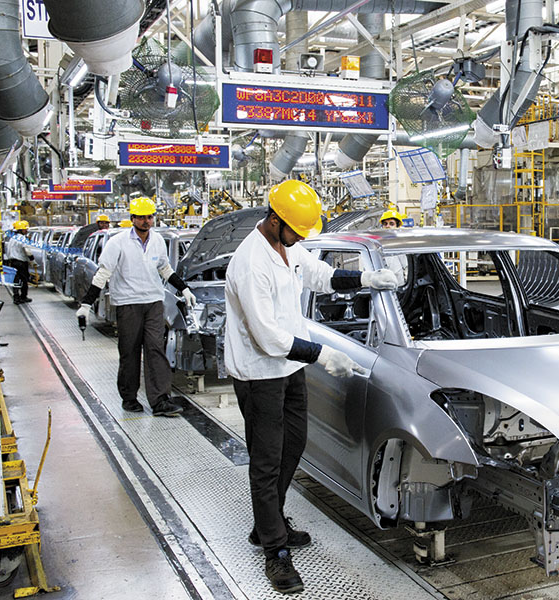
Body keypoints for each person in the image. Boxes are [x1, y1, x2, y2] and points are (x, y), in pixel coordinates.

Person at [222, 180, 398, 594]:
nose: (301, 238)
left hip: (287, 369)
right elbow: (267, 337)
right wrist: (322, 355)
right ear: (274, 220)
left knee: (294, 444)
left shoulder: (288, 246)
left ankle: (268, 524)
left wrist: (367, 278)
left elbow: (321, 275)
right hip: (258, 372)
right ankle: (275, 551)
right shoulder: (251, 262)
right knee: (267, 460)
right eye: (297, 231)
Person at [75, 197, 195, 417]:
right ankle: (129, 398)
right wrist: (86, 304)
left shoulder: (158, 240)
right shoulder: (117, 242)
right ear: (132, 219)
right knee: (129, 351)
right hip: (128, 304)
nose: (146, 221)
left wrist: (183, 288)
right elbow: (103, 274)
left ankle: (160, 400)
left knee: (155, 350)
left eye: (149, 217)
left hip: (153, 303)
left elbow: (165, 269)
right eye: (141, 217)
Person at [6, 220, 34, 304]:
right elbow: (27, 250)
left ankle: (16, 298)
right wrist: (31, 259)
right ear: (21, 230)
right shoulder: (22, 238)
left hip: (13, 262)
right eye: (25, 229)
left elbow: (8, 251)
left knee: (15, 280)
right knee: (24, 280)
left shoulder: (12, 238)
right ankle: (23, 296)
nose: (27, 231)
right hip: (21, 262)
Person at [379, 208, 409, 285]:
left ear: (397, 226)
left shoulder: (401, 244)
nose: (388, 226)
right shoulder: (377, 244)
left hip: (399, 286)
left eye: (391, 224)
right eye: (385, 224)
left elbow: (406, 267)